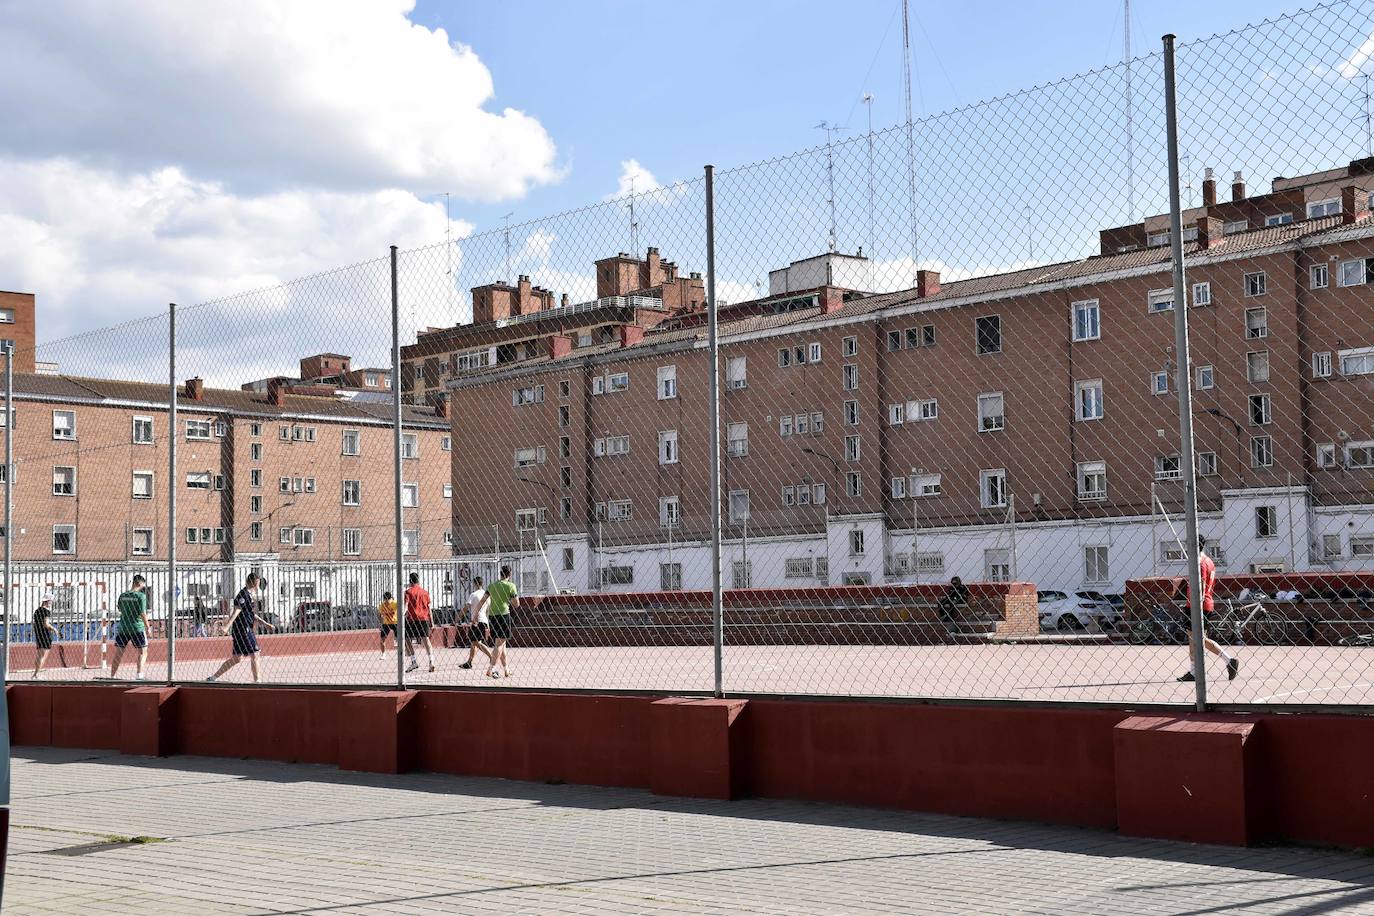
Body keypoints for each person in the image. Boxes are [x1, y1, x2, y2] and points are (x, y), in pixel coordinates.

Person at [1178, 536, 1240, 683]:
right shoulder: (1209, 561)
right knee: (1195, 639)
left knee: (1198, 639)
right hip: (1205, 602)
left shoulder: (1199, 563)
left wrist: (1195, 604)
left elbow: (1200, 585)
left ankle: (1228, 660)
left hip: (1197, 604)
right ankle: (1195, 671)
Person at [207, 573, 276, 683]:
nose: (259, 584)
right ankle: (257, 681)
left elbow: (251, 614)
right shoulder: (243, 595)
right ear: (254, 582)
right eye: (258, 581)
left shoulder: (249, 595)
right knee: (255, 653)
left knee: (237, 658)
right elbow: (236, 611)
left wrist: (265, 624)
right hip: (243, 629)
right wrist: (226, 626)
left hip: (243, 629)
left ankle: (213, 677)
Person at [474, 566, 518, 679]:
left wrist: (475, 614)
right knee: (499, 644)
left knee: (502, 644)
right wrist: (508, 599)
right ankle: (491, 668)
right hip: (504, 615)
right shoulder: (511, 586)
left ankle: (506, 669)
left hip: (493, 617)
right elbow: (516, 604)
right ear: (510, 574)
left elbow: (482, 601)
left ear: (500, 574)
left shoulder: (491, 586)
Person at [109, 575, 149, 680]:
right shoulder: (141, 596)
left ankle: (113, 675)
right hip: (137, 627)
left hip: (123, 626)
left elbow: (120, 608)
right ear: (140, 583)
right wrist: (148, 626)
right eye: (143, 584)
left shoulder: (123, 595)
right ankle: (139, 675)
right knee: (142, 651)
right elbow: (142, 613)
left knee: (119, 652)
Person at [458, 576, 493, 671]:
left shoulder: (474, 594)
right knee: (474, 642)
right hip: (484, 620)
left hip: (476, 621)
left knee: (476, 642)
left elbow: (466, 608)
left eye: (473, 584)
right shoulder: (487, 595)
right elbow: (488, 611)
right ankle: (469, 662)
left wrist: (458, 617)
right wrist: (488, 624)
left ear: (476, 584)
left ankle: (492, 657)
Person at [403, 572, 434, 673]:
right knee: (426, 640)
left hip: (412, 619)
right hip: (424, 618)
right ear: (418, 580)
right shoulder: (425, 592)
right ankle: (431, 661)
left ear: (410, 581)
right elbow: (429, 608)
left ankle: (414, 661)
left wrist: (402, 615)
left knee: (407, 639)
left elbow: (406, 606)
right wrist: (432, 621)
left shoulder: (408, 592)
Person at [32, 593, 56, 678]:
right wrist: (54, 629)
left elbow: (35, 623)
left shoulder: (37, 611)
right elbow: (46, 624)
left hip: (39, 634)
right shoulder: (46, 611)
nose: (51, 603)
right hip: (45, 634)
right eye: (51, 601)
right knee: (42, 655)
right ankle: (36, 674)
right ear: (47, 601)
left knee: (39, 655)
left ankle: (36, 672)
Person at [377, 590, 398, 658]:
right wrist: (380, 623)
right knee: (382, 640)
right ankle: (383, 654)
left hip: (395, 623)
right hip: (386, 623)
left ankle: (401, 653)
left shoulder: (395, 604)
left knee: (399, 639)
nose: (387, 601)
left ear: (391, 598)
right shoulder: (382, 605)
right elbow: (379, 614)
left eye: (388, 600)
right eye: (386, 600)